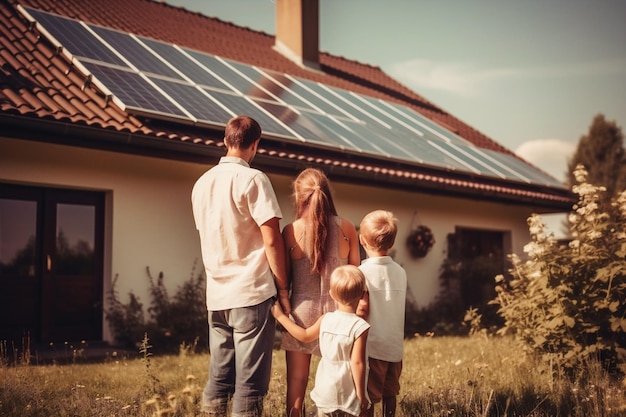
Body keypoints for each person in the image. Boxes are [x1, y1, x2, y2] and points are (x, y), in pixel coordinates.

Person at [191, 115, 291, 417]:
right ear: (255, 145)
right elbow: (272, 239)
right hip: (251, 294)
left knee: (219, 380)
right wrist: (283, 288)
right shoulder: (253, 179)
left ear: (225, 141)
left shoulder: (201, 183)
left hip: (217, 296)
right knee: (250, 385)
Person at [280, 167, 361, 417]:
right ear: (327, 193)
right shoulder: (347, 228)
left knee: (297, 381)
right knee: (343, 378)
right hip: (341, 313)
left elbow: (286, 277)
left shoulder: (290, 231)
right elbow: (356, 274)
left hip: (301, 314)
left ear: (298, 196)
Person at [273, 265, 370, 417]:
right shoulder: (360, 326)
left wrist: (280, 317)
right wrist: (361, 395)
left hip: (326, 390)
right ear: (363, 294)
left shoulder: (326, 319)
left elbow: (304, 336)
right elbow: (357, 363)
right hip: (348, 394)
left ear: (331, 294)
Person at [357, 210, 407, 417]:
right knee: (389, 394)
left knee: (368, 397)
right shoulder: (400, 272)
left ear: (362, 241)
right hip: (395, 347)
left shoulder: (361, 272)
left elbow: (361, 309)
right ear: (392, 243)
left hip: (372, 348)